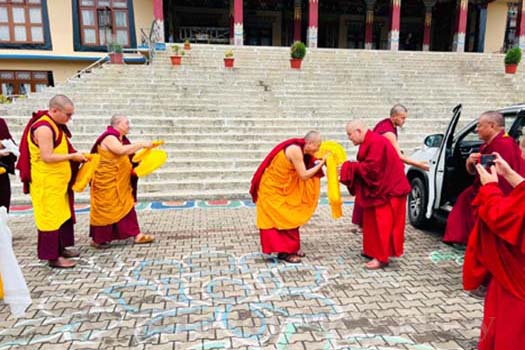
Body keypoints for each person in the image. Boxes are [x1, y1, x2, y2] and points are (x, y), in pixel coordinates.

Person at [16, 95, 87, 268]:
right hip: (46, 183)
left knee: (62, 215)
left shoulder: (55, 125)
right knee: (49, 219)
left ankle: (61, 248)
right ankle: (53, 257)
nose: (69, 119)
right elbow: (47, 157)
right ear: (55, 110)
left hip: (58, 183)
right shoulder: (44, 128)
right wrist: (72, 156)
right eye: (68, 115)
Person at [463, 153, 525, 350]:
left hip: (516, 284)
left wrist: (490, 188)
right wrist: (509, 174)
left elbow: (500, 218)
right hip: (509, 278)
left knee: (510, 331)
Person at [443, 111, 525, 244]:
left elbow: (502, 181)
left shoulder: (503, 145)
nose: (476, 130)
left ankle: (469, 239)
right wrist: (469, 161)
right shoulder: (487, 145)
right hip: (486, 187)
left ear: (491, 126)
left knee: (467, 202)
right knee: (465, 199)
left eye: (479, 126)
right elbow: (474, 172)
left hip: (498, 193)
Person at [340, 120, 411, 269]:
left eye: (350, 134)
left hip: (390, 191)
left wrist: (350, 167)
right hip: (382, 189)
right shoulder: (370, 141)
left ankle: (381, 258)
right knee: (372, 222)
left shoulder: (376, 142)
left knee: (382, 225)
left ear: (359, 131)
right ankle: (373, 251)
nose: (349, 138)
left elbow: (373, 169)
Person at [250, 131, 327, 264]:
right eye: (317, 146)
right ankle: (284, 252)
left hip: (285, 187)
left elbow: (307, 163)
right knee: (281, 217)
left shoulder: (302, 148)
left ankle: (291, 248)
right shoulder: (295, 150)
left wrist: (318, 162)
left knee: (291, 214)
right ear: (309, 143)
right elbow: (303, 175)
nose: (318, 150)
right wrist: (321, 163)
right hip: (272, 189)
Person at [352, 104, 428, 227]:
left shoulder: (386, 124)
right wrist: (418, 164)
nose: (404, 121)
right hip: (377, 168)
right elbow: (399, 156)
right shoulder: (388, 132)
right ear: (393, 117)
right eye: (402, 118)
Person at [89, 114, 155, 249]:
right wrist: (141, 144)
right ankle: (99, 239)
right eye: (126, 123)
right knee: (105, 209)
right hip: (106, 181)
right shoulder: (109, 137)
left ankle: (137, 235)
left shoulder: (120, 138)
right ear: (117, 124)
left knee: (126, 205)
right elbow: (120, 151)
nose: (128, 126)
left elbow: (128, 156)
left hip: (120, 181)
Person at [0, 118, 17, 211]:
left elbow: (11, 145)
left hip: (1, 175)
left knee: (2, 213)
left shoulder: (0, 122)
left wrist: (6, 145)